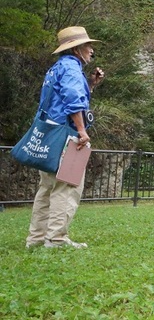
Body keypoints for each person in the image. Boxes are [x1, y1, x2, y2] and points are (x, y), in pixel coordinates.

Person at [26, 26, 105, 249]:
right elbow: (72, 101)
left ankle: (36, 238)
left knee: (47, 188)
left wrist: (90, 84)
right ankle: (57, 239)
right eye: (89, 46)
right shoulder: (71, 68)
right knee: (68, 187)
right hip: (67, 135)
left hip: (49, 133)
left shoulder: (57, 68)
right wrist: (81, 131)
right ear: (77, 48)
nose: (92, 50)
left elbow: (58, 99)